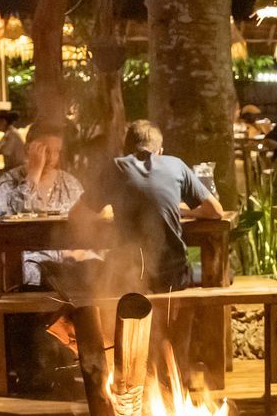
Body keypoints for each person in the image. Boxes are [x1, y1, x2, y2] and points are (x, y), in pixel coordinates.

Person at [78, 120, 226, 294]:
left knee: (94, 277)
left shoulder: (116, 167)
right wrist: (180, 209)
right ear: (160, 152)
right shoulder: (176, 165)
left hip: (129, 274)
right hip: (173, 275)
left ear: (125, 149)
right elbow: (216, 211)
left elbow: (77, 215)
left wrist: (102, 215)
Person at [0, 122, 87, 392]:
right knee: (34, 284)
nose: (50, 157)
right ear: (29, 150)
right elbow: (10, 219)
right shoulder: (9, 181)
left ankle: (73, 366)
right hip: (25, 265)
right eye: (44, 150)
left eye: (56, 151)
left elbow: (86, 224)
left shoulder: (70, 183)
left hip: (66, 263)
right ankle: (34, 371)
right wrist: (33, 174)